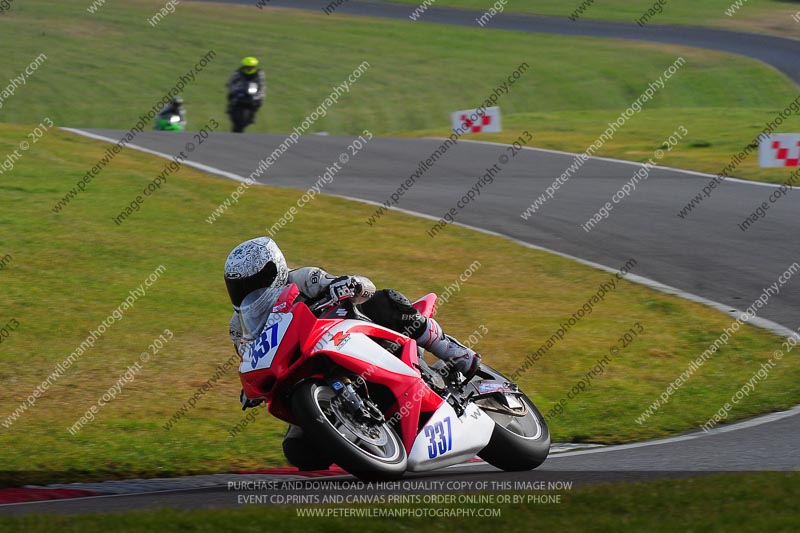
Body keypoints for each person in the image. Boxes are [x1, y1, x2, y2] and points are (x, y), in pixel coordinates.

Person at [224, 236, 481, 470]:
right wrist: (252, 389)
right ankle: (366, 441)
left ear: (275, 269)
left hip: (348, 337)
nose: (249, 291)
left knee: (385, 301)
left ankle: (452, 350)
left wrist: (349, 285)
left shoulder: (303, 278)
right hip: (303, 372)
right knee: (299, 452)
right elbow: (251, 358)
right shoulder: (238, 327)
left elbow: (365, 287)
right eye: (240, 287)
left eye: (256, 281)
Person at [226, 56, 266, 132]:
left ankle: (253, 114)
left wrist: (259, 95)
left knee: (260, 101)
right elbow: (231, 82)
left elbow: (262, 85)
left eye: (251, 67)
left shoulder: (259, 73)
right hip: (241, 90)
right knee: (230, 97)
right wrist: (232, 90)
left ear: (254, 66)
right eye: (247, 67)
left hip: (252, 91)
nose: (249, 68)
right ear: (244, 66)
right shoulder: (238, 72)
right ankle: (230, 110)